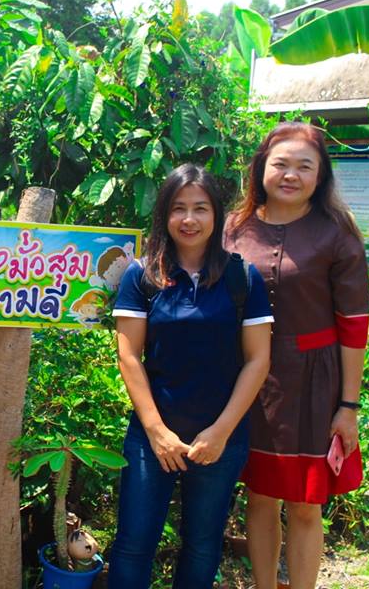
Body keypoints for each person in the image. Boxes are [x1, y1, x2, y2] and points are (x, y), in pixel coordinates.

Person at [108, 163, 273, 588]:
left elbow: (258, 360)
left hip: (221, 438)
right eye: (178, 208)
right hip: (151, 438)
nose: (189, 219)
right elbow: (129, 356)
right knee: (132, 544)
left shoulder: (242, 277)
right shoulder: (142, 275)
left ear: (216, 214)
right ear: (164, 214)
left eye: (200, 208)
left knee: (202, 545)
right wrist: (156, 431)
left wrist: (221, 431)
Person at [224, 122, 369, 589]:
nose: (291, 175)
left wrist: (348, 407)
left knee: (306, 503)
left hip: (313, 382)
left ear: (320, 175)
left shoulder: (337, 233)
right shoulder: (234, 227)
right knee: (260, 495)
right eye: (281, 164)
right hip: (248, 379)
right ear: (261, 168)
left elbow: (354, 324)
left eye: (304, 166)